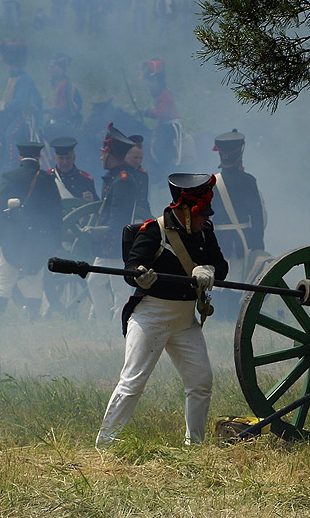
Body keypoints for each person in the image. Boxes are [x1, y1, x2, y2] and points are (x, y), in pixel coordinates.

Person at [96, 173, 228, 447]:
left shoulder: (205, 231)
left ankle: (195, 445)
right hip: (151, 316)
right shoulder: (153, 231)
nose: (205, 217)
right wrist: (140, 275)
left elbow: (222, 267)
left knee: (201, 382)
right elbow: (132, 266)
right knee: (133, 382)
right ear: (186, 211)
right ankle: (105, 445)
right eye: (201, 212)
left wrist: (210, 269)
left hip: (185, 319)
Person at [0, 142, 61, 318]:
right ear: (38, 158)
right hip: (38, 240)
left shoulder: (10, 176)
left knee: (3, 281)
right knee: (34, 282)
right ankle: (32, 319)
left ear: (20, 157)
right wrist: (55, 243)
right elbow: (56, 214)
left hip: (12, 238)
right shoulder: (47, 179)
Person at [85, 124, 141, 325]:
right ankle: (102, 325)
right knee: (95, 282)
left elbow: (119, 219)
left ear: (112, 155)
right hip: (108, 245)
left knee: (120, 289)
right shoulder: (117, 179)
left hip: (117, 244)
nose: (101, 157)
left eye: (104, 153)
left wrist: (98, 232)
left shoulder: (123, 181)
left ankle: (120, 328)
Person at [211, 129, 266, 317]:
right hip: (242, 240)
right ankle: (233, 317)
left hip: (217, 240)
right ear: (240, 152)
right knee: (237, 280)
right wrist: (257, 244)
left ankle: (218, 316)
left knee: (218, 280)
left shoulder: (211, 183)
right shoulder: (248, 181)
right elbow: (257, 217)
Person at [0, 40, 43, 172]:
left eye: (8, 64)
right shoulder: (12, 78)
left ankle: (10, 166)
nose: (6, 67)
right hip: (11, 117)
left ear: (14, 63)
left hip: (23, 118)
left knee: (10, 136)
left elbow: (21, 102)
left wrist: (3, 106)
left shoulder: (24, 79)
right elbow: (9, 99)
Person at [139, 58, 182, 175]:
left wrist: (147, 111)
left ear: (156, 80)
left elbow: (161, 113)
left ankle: (167, 172)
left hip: (171, 126)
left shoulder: (165, 94)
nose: (147, 85)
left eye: (149, 81)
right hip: (163, 126)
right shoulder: (158, 95)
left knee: (160, 147)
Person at [47, 137, 97, 202]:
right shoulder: (47, 178)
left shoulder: (86, 179)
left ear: (74, 158)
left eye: (68, 158)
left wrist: (90, 200)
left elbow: (97, 206)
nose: (65, 162)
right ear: (55, 159)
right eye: (61, 158)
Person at [45, 52, 82, 129]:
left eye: (52, 66)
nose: (50, 69)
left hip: (66, 122)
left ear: (61, 69)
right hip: (55, 121)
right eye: (49, 66)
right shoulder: (54, 83)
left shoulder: (65, 84)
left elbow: (62, 106)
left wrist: (45, 110)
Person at [125, 134, 152, 219]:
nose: (139, 161)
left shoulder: (143, 174)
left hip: (141, 216)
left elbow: (144, 201)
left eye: (141, 158)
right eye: (135, 158)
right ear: (126, 155)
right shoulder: (119, 175)